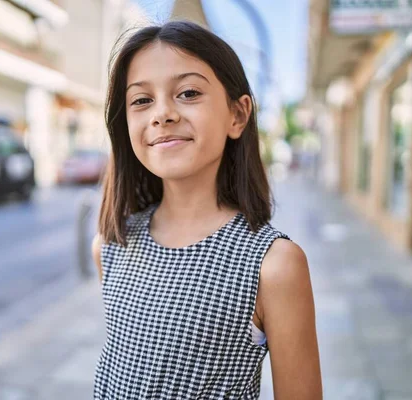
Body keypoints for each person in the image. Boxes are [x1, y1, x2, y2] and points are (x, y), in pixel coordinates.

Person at [92, 20, 322, 399]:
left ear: (237, 115)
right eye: (141, 100)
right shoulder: (111, 245)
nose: (162, 114)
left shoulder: (273, 264)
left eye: (188, 93)